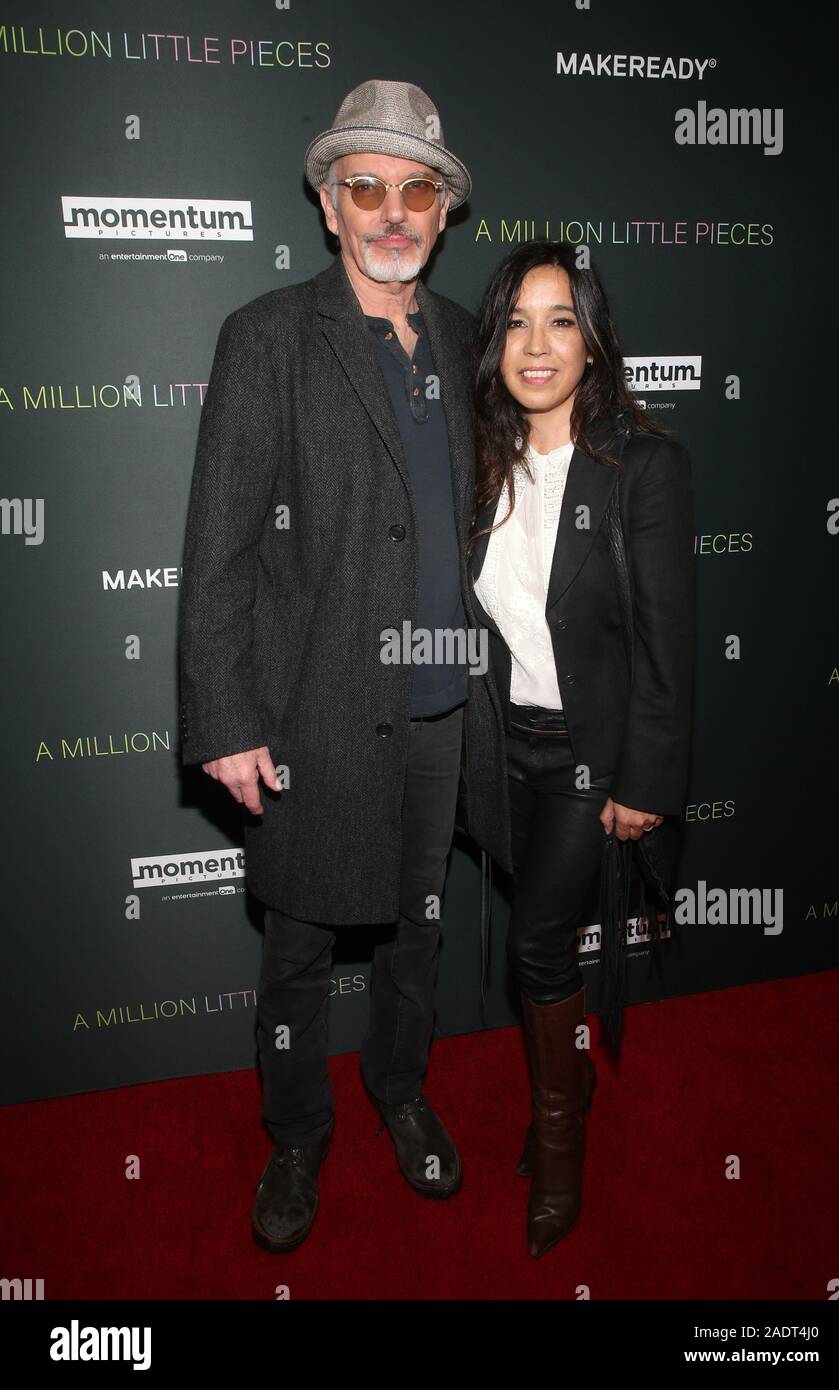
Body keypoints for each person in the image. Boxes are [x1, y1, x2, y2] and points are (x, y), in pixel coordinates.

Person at [177, 79, 510, 1254]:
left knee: (419, 929)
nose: (390, 209)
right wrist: (225, 711)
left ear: (442, 210)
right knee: (300, 948)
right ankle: (296, 1133)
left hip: (441, 709)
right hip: (315, 711)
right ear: (328, 204)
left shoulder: (475, 343)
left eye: (415, 188)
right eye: (364, 186)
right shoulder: (265, 337)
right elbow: (217, 549)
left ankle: (400, 1087)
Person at [468, 239, 695, 1257]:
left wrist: (642, 779)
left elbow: (664, 640)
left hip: (583, 760)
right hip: (497, 749)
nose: (536, 343)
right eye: (515, 320)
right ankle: (565, 1088)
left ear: (593, 340)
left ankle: (560, 1139)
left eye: (560, 319)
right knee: (538, 943)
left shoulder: (642, 465)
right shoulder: (481, 459)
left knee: (534, 948)